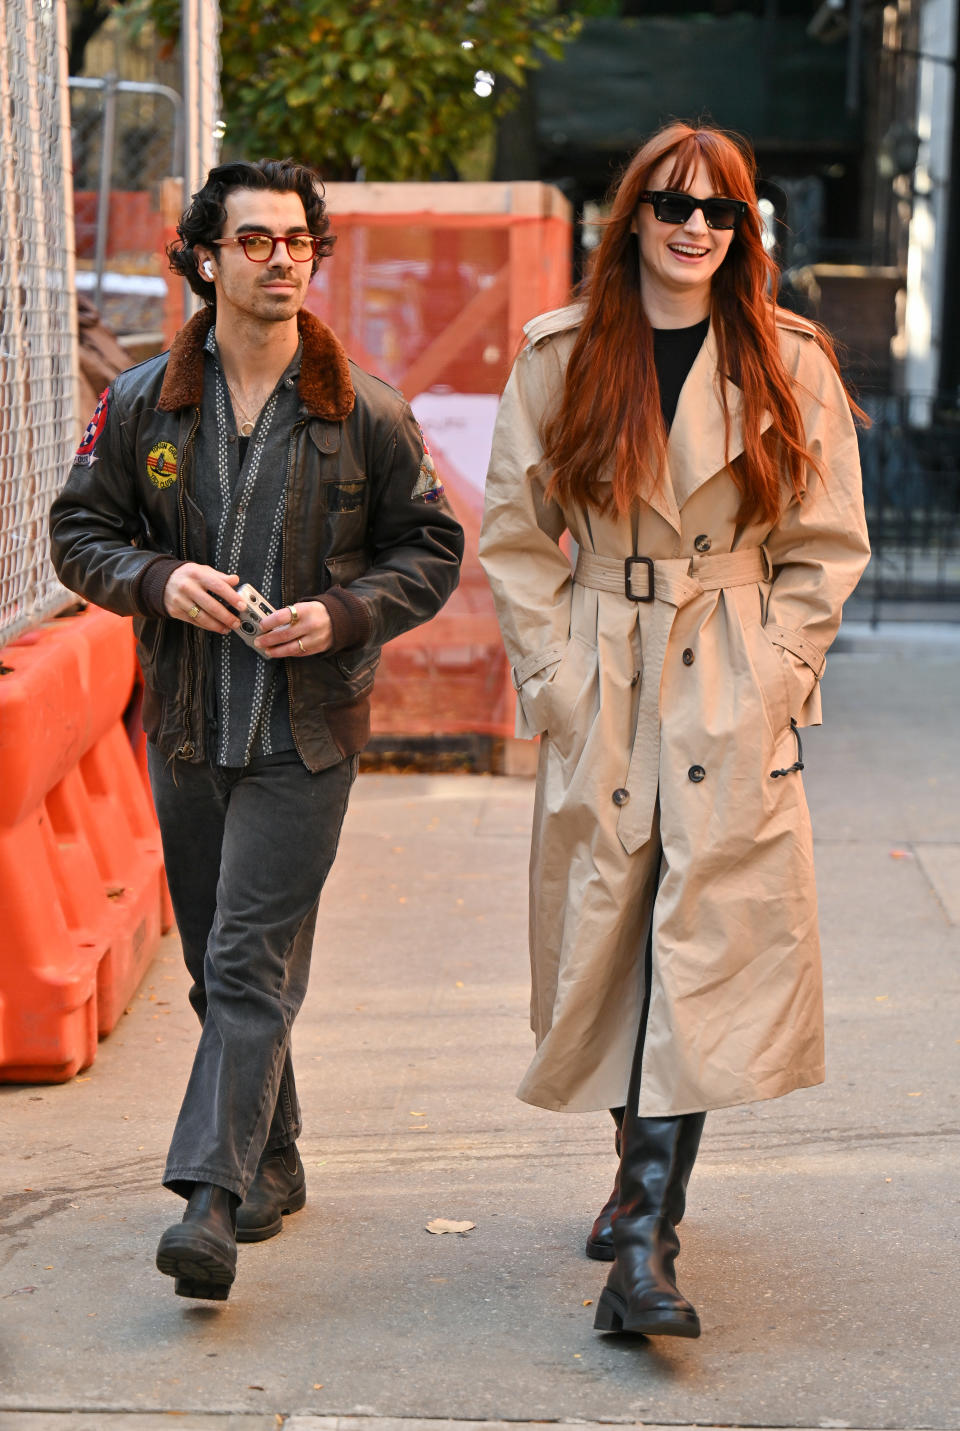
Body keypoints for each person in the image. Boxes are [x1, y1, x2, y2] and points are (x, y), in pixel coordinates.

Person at [479, 123, 870, 1339]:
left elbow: (827, 543)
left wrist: (783, 669)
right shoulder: (562, 355)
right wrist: (552, 674)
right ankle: (630, 1171)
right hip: (603, 663)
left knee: (698, 939)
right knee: (612, 933)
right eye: (674, 205)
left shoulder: (787, 359)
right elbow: (511, 533)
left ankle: (646, 1239)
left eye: (723, 212)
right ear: (633, 217)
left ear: (743, 232)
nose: (697, 227)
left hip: (728, 666)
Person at [50, 158, 464, 1301]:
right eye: (255, 241)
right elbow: (77, 533)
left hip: (306, 736)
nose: (281, 259)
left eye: (297, 241)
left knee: (242, 959)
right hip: (185, 730)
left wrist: (343, 614)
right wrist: (154, 577)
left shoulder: (365, 411)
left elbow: (429, 551)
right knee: (221, 968)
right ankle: (272, 1157)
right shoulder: (142, 405)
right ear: (205, 258)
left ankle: (209, 1203)